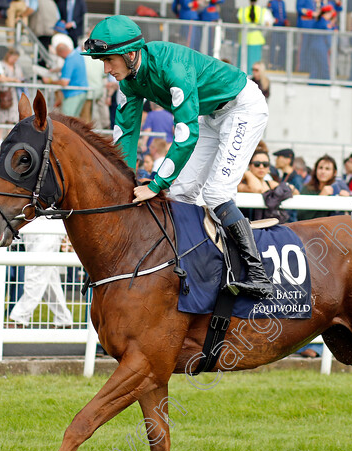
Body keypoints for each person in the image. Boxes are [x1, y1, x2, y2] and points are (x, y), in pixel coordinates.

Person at [82, 15, 273, 297]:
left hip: (242, 107)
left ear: (131, 54)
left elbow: (186, 134)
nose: (107, 68)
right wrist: (121, 182)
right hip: (208, 114)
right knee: (181, 193)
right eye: (103, 62)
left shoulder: (173, 66)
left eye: (110, 60)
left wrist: (156, 185)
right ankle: (194, 266)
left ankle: (258, 273)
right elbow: (124, 136)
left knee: (217, 193)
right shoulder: (129, 81)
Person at [7, 226, 75, 328]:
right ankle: (63, 319)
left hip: (46, 228)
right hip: (34, 228)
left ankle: (19, 317)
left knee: (36, 274)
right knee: (49, 277)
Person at [237, 148, 294, 222]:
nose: (261, 167)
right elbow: (258, 189)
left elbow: (293, 190)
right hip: (249, 228)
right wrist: (247, 173)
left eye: (265, 164)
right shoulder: (241, 184)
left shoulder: (270, 183)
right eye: (257, 164)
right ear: (249, 165)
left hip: (268, 227)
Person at [43, 33, 88, 118]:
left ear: (61, 52)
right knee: (73, 121)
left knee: (66, 122)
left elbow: (64, 82)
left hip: (73, 94)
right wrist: (59, 69)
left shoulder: (69, 60)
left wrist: (49, 81)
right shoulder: (77, 54)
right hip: (81, 92)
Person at [297, 154, 340, 221]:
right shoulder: (307, 189)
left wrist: (345, 199)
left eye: (327, 169)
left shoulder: (339, 187)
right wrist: (321, 197)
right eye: (320, 168)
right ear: (315, 170)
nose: (323, 172)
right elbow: (301, 216)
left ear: (334, 172)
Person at [0, 48, 26, 141]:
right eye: (13, 58)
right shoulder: (2, 65)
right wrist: (14, 80)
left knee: (12, 116)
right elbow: (1, 78)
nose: (14, 61)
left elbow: (21, 77)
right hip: (4, 92)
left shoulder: (17, 67)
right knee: (2, 115)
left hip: (14, 93)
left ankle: (8, 136)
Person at [236, 0, 272, 72]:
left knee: (242, 65)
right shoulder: (263, 11)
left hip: (243, 40)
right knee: (254, 67)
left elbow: (238, 24)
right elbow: (269, 25)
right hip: (256, 41)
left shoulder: (242, 10)